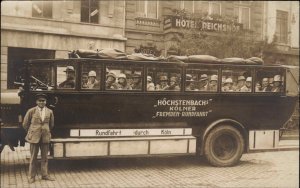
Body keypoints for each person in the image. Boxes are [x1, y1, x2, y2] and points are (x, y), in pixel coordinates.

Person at [22, 93, 55, 183]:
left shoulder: (50, 111)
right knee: (33, 158)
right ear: (36, 102)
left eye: (43, 101)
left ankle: (44, 175)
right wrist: (32, 132)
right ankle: (31, 177)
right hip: (34, 137)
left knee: (45, 158)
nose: (41, 102)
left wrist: (46, 131)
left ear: (46, 102)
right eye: (40, 101)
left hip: (45, 137)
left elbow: (51, 125)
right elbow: (25, 124)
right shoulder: (31, 111)